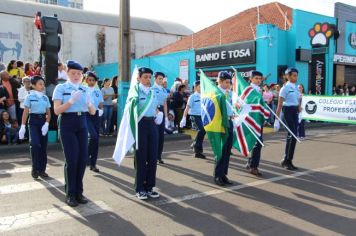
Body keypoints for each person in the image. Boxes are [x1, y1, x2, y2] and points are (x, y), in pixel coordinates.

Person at [52, 60, 96, 207]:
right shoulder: (61, 87)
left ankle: (79, 192)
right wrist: (70, 101)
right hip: (67, 122)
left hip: (82, 122)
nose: (76, 76)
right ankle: (70, 194)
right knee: (72, 160)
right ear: (67, 73)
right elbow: (57, 110)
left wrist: (90, 104)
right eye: (73, 73)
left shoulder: (85, 89)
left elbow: (93, 112)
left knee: (83, 159)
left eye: (79, 73)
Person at [134, 67, 161, 200]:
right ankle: (140, 188)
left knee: (152, 157)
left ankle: (149, 187)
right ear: (139, 78)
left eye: (150, 77)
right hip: (140, 125)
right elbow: (130, 110)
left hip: (152, 124)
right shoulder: (135, 92)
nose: (148, 79)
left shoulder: (153, 91)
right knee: (141, 157)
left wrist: (158, 114)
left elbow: (155, 106)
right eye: (145, 77)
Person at [19, 76, 51, 179]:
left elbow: (49, 113)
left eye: (43, 84)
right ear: (33, 85)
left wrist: (46, 123)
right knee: (35, 144)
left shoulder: (45, 97)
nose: (42, 86)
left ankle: (42, 170)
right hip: (33, 121)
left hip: (43, 122)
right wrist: (23, 126)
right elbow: (25, 112)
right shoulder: (29, 97)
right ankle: (35, 168)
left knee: (43, 146)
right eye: (40, 84)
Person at [274, 68, 301, 171]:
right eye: (294, 75)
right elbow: (280, 104)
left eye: (296, 75)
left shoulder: (296, 87)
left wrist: (299, 110)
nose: (296, 77)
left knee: (294, 136)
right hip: (287, 111)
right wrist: (277, 119)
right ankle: (286, 160)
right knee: (292, 135)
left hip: (294, 111)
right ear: (287, 76)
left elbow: (297, 100)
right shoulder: (284, 88)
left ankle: (289, 160)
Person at [214, 71, 234, 186]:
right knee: (220, 150)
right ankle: (217, 175)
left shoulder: (229, 93)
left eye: (229, 82)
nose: (228, 84)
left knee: (227, 150)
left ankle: (223, 174)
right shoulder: (215, 93)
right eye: (226, 82)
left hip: (229, 122)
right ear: (220, 81)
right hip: (220, 124)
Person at [245, 71, 265, 176]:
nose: (258, 80)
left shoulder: (259, 90)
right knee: (258, 142)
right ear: (251, 79)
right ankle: (253, 166)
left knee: (256, 142)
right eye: (256, 78)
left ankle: (251, 162)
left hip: (258, 119)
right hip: (251, 119)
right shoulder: (249, 90)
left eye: (260, 78)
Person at [180, 80, 206, 159]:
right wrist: (183, 118)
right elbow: (187, 107)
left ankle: (197, 148)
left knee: (203, 131)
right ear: (195, 88)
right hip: (194, 116)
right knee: (201, 130)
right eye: (199, 86)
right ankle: (196, 148)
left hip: (202, 116)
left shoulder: (204, 96)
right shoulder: (192, 97)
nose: (201, 88)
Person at [86, 72, 104, 172]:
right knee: (93, 136)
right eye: (89, 80)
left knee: (96, 140)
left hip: (96, 115)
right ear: (86, 80)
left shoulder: (98, 91)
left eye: (93, 80)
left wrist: (101, 110)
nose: (91, 82)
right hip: (87, 115)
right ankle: (86, 156)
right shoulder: (84, 90)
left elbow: (100, 103)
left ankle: (93, 164)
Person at [151, 72, 169, 164]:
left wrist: (166, 117)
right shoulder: (151, 89)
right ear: (155, 79)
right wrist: (157, 113)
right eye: (159, 79)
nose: (161, 80)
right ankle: (152, 157)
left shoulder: (164, 90)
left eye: (162, 79)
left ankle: (159, 156)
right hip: (154, 111)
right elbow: (151, 103)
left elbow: (165, 103)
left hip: (161, 111)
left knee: (161, 136)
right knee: (154, 136)